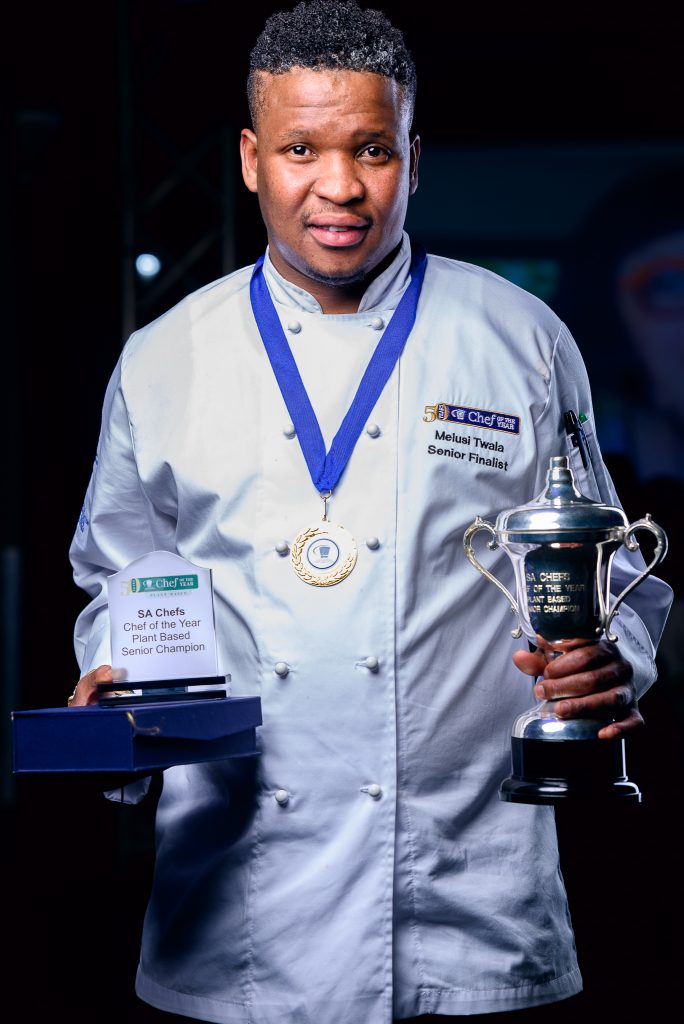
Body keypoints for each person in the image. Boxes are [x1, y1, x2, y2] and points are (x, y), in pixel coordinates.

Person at [67, 3, 672, 1023]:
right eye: (301, 149)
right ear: (252, 159)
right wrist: (118, 688)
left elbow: (606, 573)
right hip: (239, 911)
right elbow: (121, 577)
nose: (340, 186)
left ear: (414, 160)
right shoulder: (165, 355)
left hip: (471, 895)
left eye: (373, 150)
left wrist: (609, 662)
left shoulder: (519, 337)